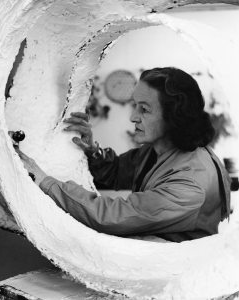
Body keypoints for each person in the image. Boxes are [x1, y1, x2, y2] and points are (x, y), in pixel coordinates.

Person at [18, 67, 230, 242]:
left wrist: (44, 181)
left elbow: (110, 217)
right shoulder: (158, 150)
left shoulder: (189, 184)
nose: (133, 117)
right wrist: (92, 150)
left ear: (174, 117)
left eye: (144, 109)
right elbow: (117, 171)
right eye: (134, 106)